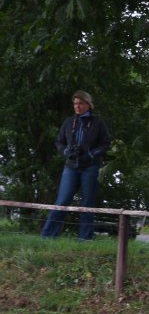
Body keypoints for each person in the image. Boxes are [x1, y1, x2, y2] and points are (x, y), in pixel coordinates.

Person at [41, 90, 112, 240]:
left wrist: (91, 154)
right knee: (62, 200)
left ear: (88, 104)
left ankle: (84, 239)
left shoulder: (98, 123)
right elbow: (59, 141)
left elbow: (106, 143)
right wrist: (66, 151)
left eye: (80, 103)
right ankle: (48, 237)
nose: (77, 106)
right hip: (71, 166)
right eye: (75, 104)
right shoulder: (69, 122)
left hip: (91, 166)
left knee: (87, 203)